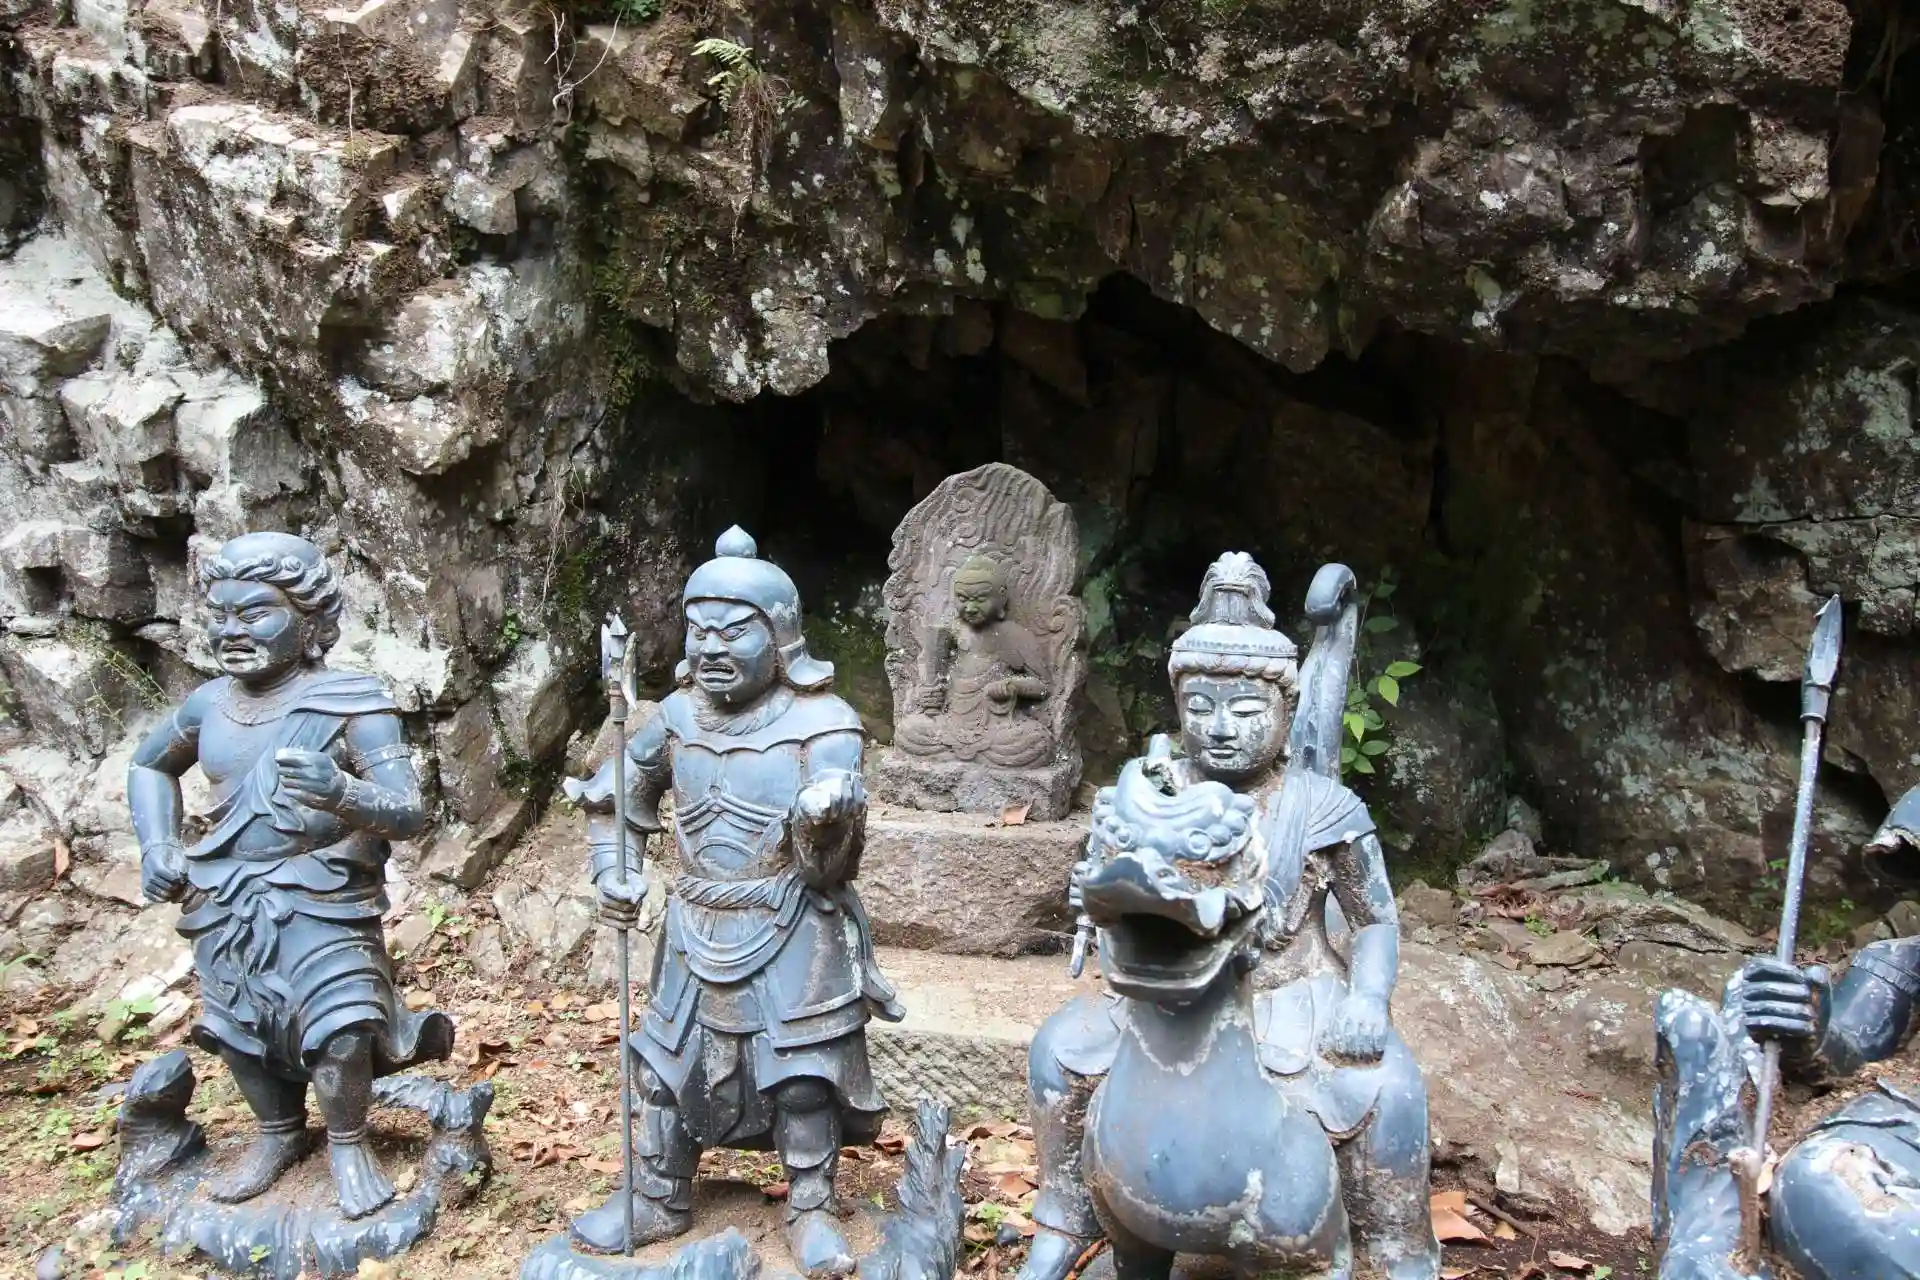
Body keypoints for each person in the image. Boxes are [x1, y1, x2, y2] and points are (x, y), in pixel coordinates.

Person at [1020, 552, 1438, 1280]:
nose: (1219, 729)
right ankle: (1064, 1217)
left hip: (1291, 989)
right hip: (1175, 984)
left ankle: (1395, 1245)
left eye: (1245, 711)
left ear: (1284, 709)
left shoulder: (1322, 807)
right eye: (1199, 709)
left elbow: (1374, 920)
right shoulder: (1159, 791)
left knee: (1390, 1089)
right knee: (1056, 1050)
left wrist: (1368, 998)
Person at [567, 527, 903, 1277]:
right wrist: (616, 872)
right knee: (664, 1065)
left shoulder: (824, 724)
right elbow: (616, 799)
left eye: (734, 630)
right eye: (700, 629)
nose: (712, 647)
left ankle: (811, 1205)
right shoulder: (674, 720)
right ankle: (658, 1193)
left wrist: (828, 817)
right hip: (695, 922)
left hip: (793, 921)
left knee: (804, 1074)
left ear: (780, 637)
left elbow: (833, 865)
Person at [130, 531, 448, 1220]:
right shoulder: (208, 705)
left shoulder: (353, 700)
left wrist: (342, 792)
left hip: (322, 895)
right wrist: (157, 846)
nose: (232, 631)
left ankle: (349, 1141)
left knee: (341, 1026)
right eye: (220, 615)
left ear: (311, 622)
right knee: (240, 1030)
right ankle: (277, 1132)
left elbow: (408, 809)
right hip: (227, 895)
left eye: (255, 614)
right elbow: (149, 765)